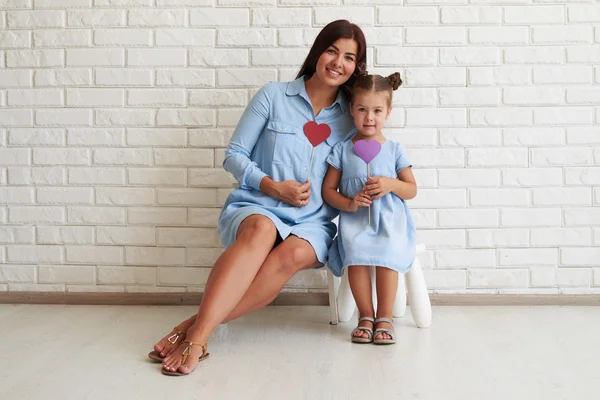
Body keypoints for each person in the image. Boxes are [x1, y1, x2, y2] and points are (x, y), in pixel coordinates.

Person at [150, 20, 367, 376]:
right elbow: (234, 155)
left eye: (349, 57)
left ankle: (192, 328)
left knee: (294, 253)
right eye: (332, 50)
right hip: (257, 204)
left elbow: (366, 156)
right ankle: (200, 338)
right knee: (262, 231)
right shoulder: (274, 95)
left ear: (355, 66)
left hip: (313, 222)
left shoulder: (351, 117)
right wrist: (272, 186)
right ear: (318, 51)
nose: (337, 62)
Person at [322, 72, 417, 345]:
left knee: (388, 254)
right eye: (362, 109)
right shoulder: (341, 150)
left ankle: (384, 317)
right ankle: (366, 316)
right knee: (355, 255)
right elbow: (328, 191)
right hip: (357, 222)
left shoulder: (395, 149)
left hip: (390, 222)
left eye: (377, 110)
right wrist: (350, 203)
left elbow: (411, 189)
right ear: (351, 109)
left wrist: (391, 184)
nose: (369, 117)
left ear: (388, 111)